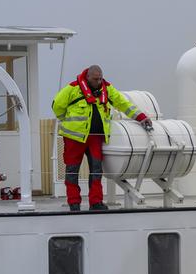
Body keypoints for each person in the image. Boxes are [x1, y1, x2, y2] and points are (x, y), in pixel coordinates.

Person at [52, 65, 153, 211]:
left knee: (96, 171)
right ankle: (74, 203)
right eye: (95, 79)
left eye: (100, 78)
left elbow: (123, 104)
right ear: (87, 77)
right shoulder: (72, 88)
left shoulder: (107, 89)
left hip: (96, 137)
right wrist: (67, 121)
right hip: (74, 137)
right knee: (72, 171)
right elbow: (57, 106)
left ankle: (96, 202)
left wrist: (141, 117)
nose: (99, 82)